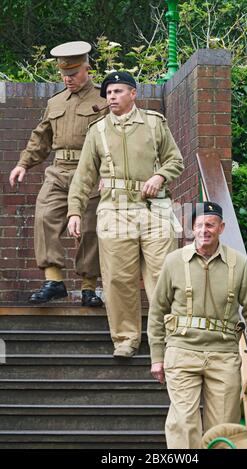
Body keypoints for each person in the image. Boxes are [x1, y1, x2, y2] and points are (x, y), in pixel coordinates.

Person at [67, 71, 184, 357]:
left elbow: (176, 159)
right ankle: (126, 339)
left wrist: (159, 176)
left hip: (154, 208)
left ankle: (168, 339)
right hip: (114, 210)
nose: (112, 97)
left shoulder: (155, 124)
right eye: (108, 92)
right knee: (119, 278)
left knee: (163, 274)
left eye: (118, 91)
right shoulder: (98, 130)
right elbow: (83, 176)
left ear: (133, 94)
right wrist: (75, 211)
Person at [148, 201, 247, 449]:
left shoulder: (238, 263)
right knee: (184, 422)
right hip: (182, 351)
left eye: (210, 225)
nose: (204, 230)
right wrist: (157, 356)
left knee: (223, 429)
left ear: (221, 227)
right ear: (191, 229)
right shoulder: (174, 261)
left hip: (224, 355)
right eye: (198, 225)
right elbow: (157, 312)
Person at [9, 41, 108, 306]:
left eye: (73, 73)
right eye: (64, 74)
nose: (68, 78)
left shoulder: (103, 99)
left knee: (89, 228)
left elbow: (115, 139)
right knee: (44, 216)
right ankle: (53, 280)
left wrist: (109, 172)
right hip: (59, 170)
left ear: (87, 68)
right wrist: (23, 164)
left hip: (90, 172)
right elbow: (41, 137)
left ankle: (89, 287)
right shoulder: (55, 102)